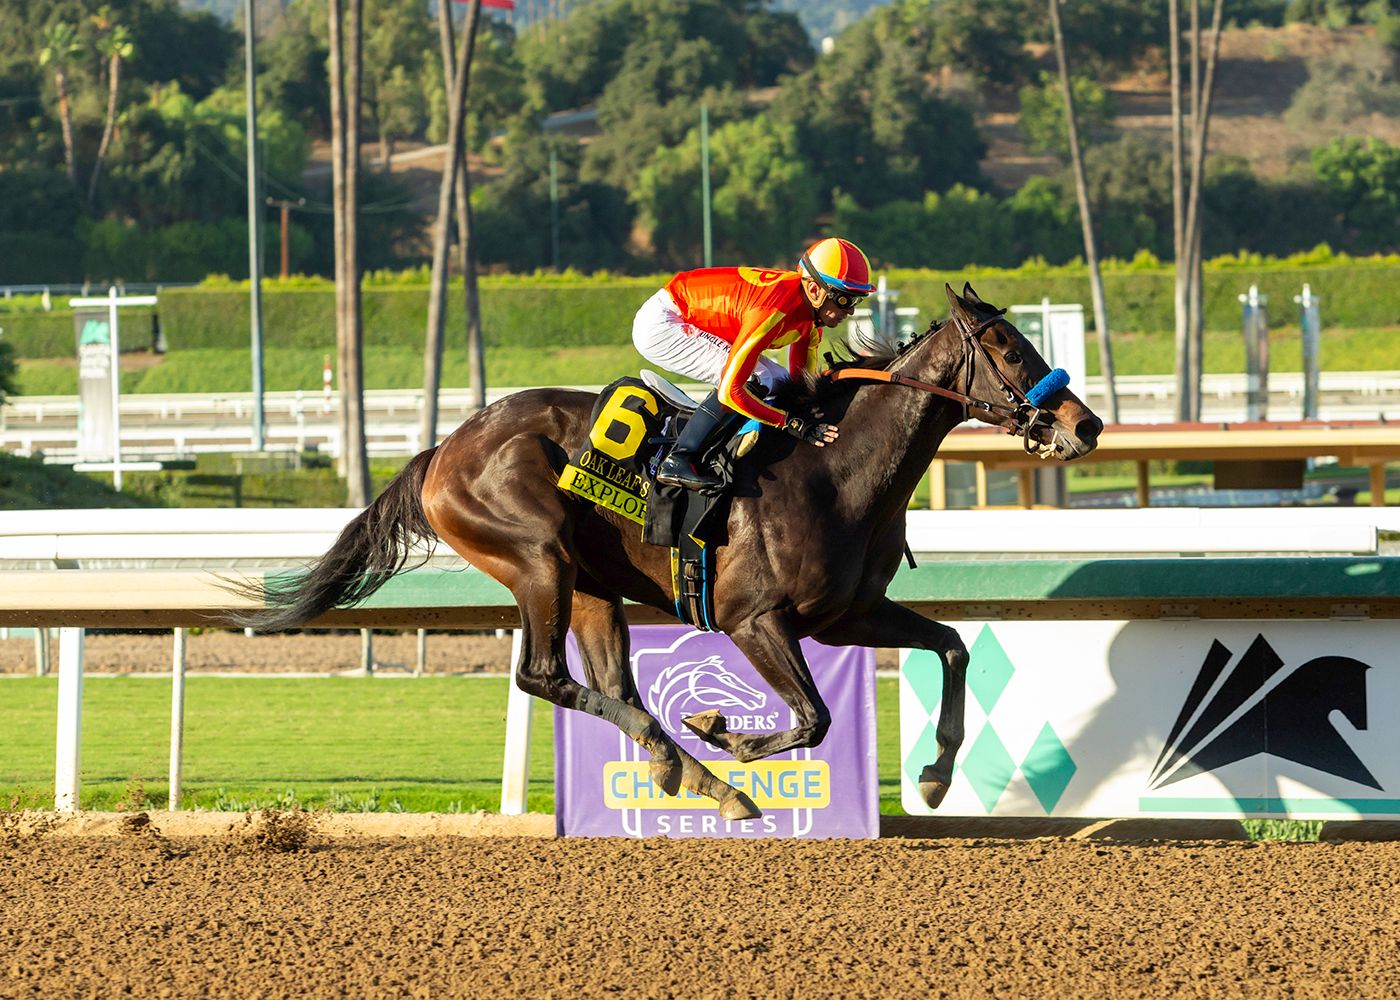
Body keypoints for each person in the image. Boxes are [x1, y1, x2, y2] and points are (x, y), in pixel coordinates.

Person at [631, 237, 875, 491]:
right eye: (845, 299)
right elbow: (730, 391)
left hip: (687, 315)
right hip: (664, 323)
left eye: (857, 300)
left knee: (778, 380)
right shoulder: (772, 310)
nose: (850, 311)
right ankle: (679, 457)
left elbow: (799, 385)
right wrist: (788, 422)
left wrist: (808, 413)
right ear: (814, 290)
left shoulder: (811, 322)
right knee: (756, 379)